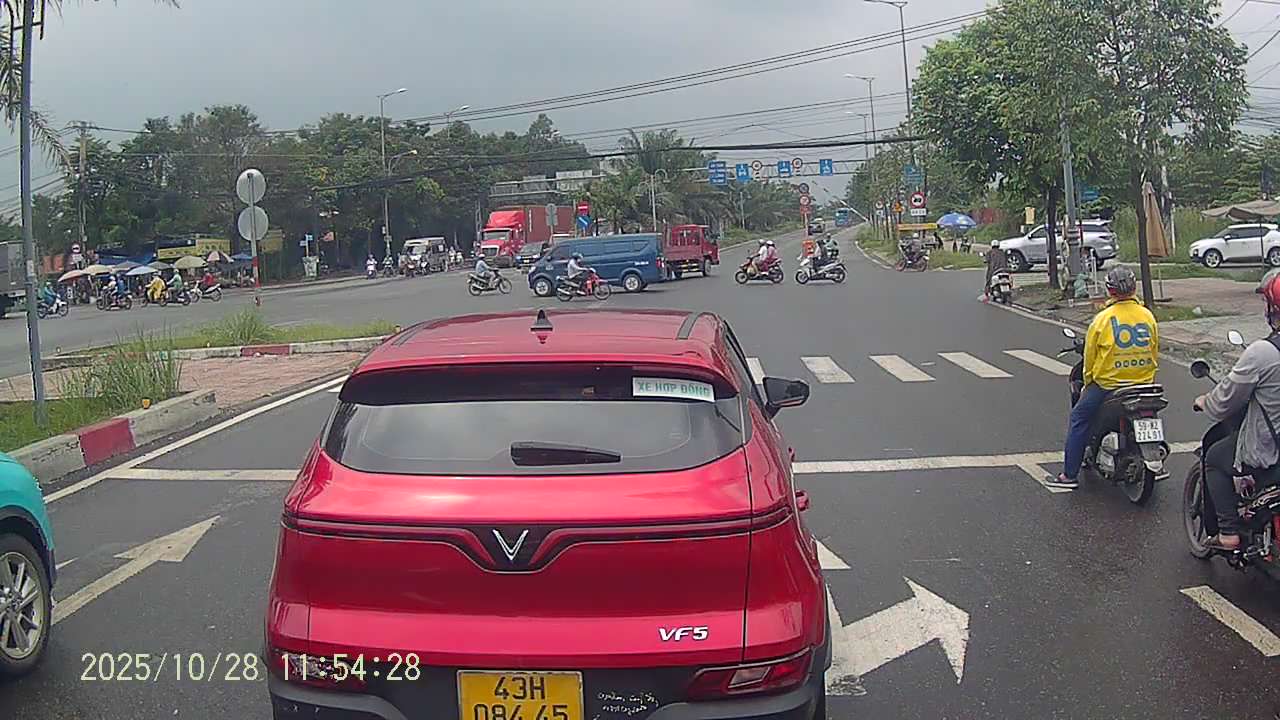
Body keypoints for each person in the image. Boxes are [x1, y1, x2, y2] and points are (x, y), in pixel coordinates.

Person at [1047, 267, 1159, 489]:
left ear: (1110, 290)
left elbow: (1089, 361)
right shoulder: (1147, 316)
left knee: (1079, 418)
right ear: (1134, 288)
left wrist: (1088, 384)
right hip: (1143, 383)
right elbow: (1154, 349)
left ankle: (1069, 475)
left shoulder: (1102, 320)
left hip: (1109, 385)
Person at [1193, 270, 1280, 550]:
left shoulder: (1263, 353)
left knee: (1214, 459)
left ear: (1272, 308)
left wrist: (1206, 401)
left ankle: (1228, 533)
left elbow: (1224, 401)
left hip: (1270, 451)